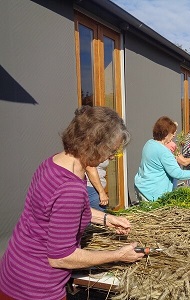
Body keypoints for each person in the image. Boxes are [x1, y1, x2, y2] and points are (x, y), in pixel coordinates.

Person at [0, 106, 145, 300]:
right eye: (111, 150)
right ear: (94, 144)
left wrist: (106, 218)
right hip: (35, 288)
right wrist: (118, 255)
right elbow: (60, 257)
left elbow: (55, 212)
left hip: (13, 268)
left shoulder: (53, 163)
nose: (112, 157)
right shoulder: (71, 189)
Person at [134, 116, 190, 201]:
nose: (174, 135)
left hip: (142, 188)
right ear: (166, 133)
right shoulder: (163, 151)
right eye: (173, 132)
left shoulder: (149, 144)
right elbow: (178, 174)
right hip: (153, 194)